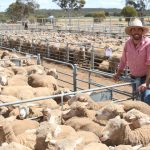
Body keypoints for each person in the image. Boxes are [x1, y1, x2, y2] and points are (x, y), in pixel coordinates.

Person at [113, 18, 150, 104]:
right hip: (133, 77)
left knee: (146, 100)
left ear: (142, 31)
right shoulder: (127, 43)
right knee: (136, 99)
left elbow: (149, 64)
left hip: (147, 77)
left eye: (138, 29)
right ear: (131, 32)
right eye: (134, 29)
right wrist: (118, 73)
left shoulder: (148, 43)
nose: (136, 32)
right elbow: (123, 60)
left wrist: (146, 83)